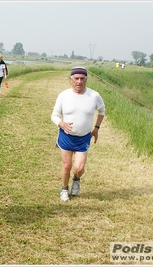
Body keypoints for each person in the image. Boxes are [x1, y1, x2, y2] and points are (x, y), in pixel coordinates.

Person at [51, 67, 105, 202]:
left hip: (84, 138)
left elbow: (102, 111)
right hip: (66, 136)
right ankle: (64, 189)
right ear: (71, 80)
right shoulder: (63, 95)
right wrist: (61, 123)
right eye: (76, 78)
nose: (79, 82)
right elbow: (54, 115)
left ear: (86, 80)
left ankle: (76, 179)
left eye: (82, 79)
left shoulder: (94, 96)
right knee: (67, 166)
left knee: (79, 168)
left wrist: (96, 128)